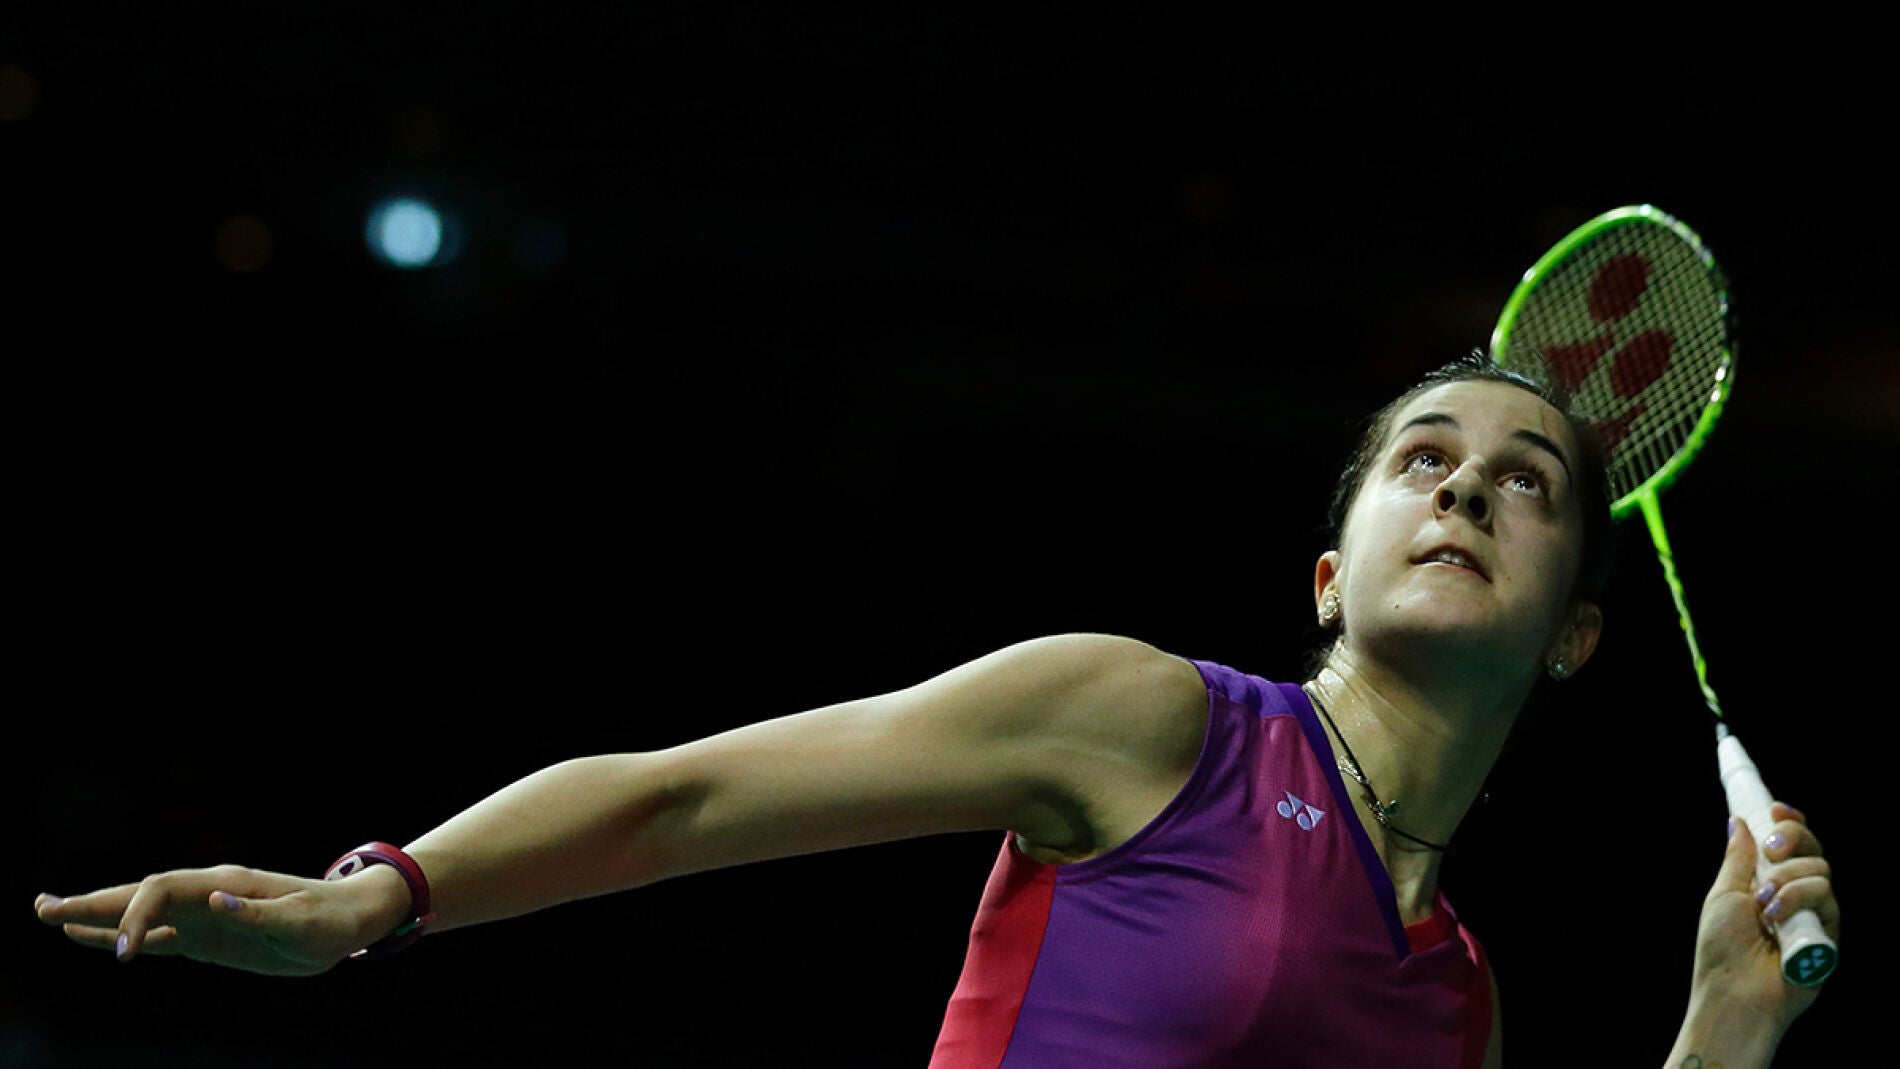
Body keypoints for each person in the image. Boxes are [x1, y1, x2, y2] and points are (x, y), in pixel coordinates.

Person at [32, 353, 1838, 1067]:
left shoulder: (1457, 999)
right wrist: (377, 898)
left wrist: (1722, 1032)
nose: (1461, 490)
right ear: (1325, 573)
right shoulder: (1153, 726)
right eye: (1422, 460)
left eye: (1523, 483)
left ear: (1580, 637)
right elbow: (683, 798)